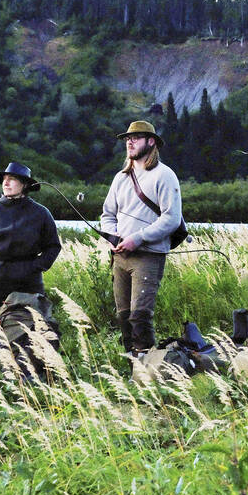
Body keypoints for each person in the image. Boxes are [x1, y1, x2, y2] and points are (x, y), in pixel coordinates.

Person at [0, 161, 65, 377]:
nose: (6, 182)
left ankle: (30, 373)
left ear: (25, 185)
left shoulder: (40, 214)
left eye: (13, 179)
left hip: (26, 285)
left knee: (28, 333)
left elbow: (53, 247)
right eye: (4, 179)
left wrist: (34, 266)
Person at [99, 119, 184, 353]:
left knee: (140, 317)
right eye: (127, 139)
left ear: (151, 141)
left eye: (135, 138)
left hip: (149, 256)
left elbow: (171, 218)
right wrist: (113, 236)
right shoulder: (120, 178)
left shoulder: (165, 175)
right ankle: (131, 369)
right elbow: (107, 214)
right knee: (123, 318)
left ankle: (147, 370)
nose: (130, 142)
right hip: (120, 257)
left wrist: (137, 238)